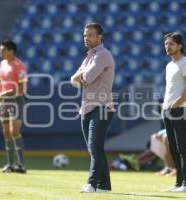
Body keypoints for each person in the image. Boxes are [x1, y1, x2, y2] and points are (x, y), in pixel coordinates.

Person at [70, 23, 115, 193]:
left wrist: (80, 75)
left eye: (90, 35)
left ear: (99, 38)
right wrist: (80, 76)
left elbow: (86, 78)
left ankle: (92, 183)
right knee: (94, 148)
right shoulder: (89, 56)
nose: (86, 38)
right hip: (87, 107)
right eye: (84, 35)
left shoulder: (103, 55)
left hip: (102, 107)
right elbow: (73, 80)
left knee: (95, 147)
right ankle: (104, 185)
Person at [162, 32, 186, 193]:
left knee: (183, 147)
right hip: (168, 110)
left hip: (180, 110)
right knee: (173, 148)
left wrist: (176, 104)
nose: (168, 47)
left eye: (171, 44)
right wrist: (166, 106)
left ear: (180, 46)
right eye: (166, 44)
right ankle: (179, 183)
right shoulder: (169, 65)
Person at [0, 40, 27, 173]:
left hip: (16, 100)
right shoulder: (2, 64)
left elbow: (20, 86)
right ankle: (10, 164)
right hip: (4, 101)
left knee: (15, 131)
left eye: (3, 50)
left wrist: (4, 93)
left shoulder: (20, 66)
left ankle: (21, 165)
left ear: (10, 51)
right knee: (6, 133)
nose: (0, 52)